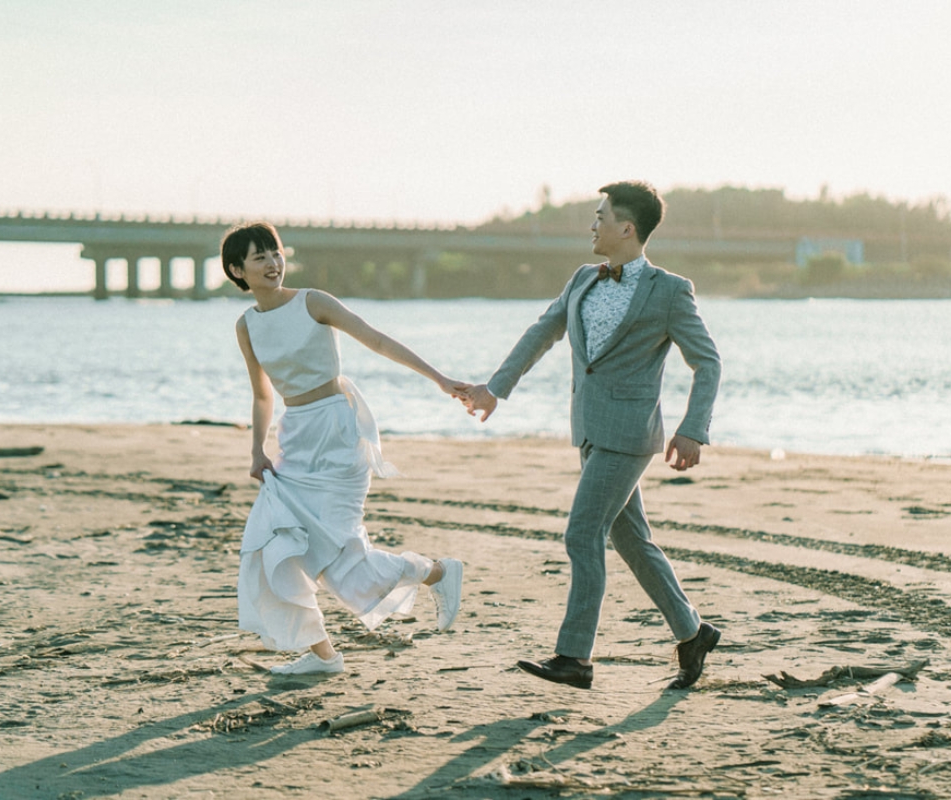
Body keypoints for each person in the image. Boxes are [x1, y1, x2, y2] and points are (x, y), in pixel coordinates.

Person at [460, 181, 722, 690]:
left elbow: (707, 362)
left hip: (629, 435)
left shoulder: (669, 291)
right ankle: (693, 634)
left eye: (601, 216)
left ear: (628, 228)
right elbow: (542, 332)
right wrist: (496, 389)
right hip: (587, 431)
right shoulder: (583, 278)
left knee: (583, 533)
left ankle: (575, 658)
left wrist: (693, 430)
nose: (593, 224)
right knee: (632, 540)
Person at [223, 221, 464, 675]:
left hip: (338, 433)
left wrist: (440, 379)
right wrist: (257, 449)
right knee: (273, 543)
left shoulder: (313, 302)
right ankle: (324, 657)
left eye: (275, 253)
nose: (273, 263)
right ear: (238, 270)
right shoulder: (247, 325)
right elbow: (262, 395)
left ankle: (437, 572)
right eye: (260, 258)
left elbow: (374, 338)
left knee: (346, 568)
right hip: (295, 440)